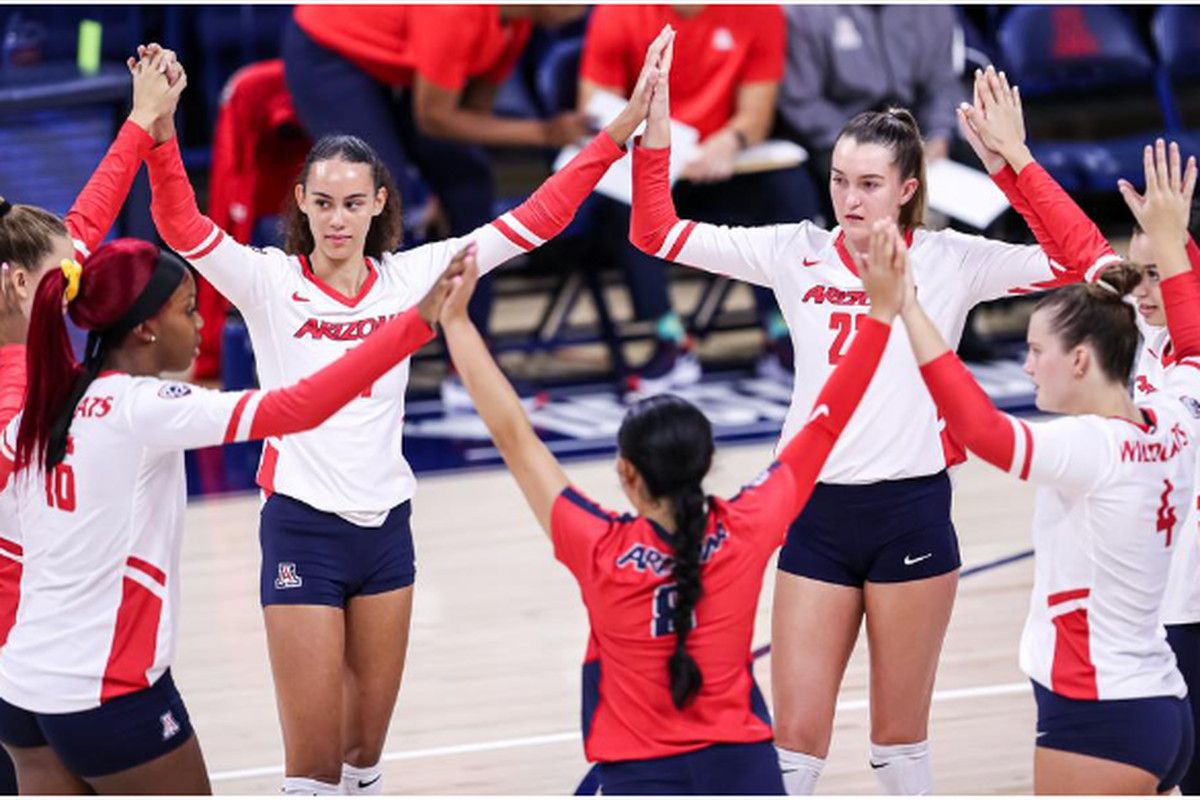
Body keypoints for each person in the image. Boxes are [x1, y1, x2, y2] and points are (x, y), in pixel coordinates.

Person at [144, 30, 673, 794]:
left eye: (353, 203)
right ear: (300, 201)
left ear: (379, 203)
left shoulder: (415, 273)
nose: (337, 219)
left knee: (363, 760)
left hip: (388, 529)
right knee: (313, 767)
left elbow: (538, 218)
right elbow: (182, 228)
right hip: (301, 526)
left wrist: (620, 128)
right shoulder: (266, 281)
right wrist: (161, 131)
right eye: (322, 202)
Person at [629, 37, 1118, 794]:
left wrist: (1012, 162)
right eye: (837, 181)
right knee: (792, 745)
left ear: (906, 190)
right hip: (814, 514)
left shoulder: (955, 260)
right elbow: (654, 231)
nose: (849, 200)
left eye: (868, 184)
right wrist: (654, 130)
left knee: (899, 743)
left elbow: (1082, 261)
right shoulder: (795, 251)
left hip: (911, 514)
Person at [435, 172, 904, 792]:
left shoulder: (597, 546)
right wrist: (879, 313)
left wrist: (458, 322)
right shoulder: (751, 525)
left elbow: (514, 435)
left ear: (626, 475)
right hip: (745, 770)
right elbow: (827, 417)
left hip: (637, 776)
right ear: (707, 463)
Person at [0, 236, 465, 794]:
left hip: (21, 686)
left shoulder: (43, 403)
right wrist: (413, 325)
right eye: (189, 309)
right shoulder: (143, 408)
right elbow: (299, 407)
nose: (202, 324)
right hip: (107, 688)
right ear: (145, 328)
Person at [881, 135, 1200, 794]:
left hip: (1158, 638)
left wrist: (908, 309)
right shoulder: (1157, 372)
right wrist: (1010, 164)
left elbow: (984, 432)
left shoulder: (1116, 430)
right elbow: (1083, 250)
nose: (1136, 290)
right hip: (1151, 629)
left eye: (1153, 276)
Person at [0, 43, 184, 794]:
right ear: (17, 285)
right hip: (46, 662)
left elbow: (80, 228)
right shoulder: (29, 402)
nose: (74, 288)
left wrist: (143, 122)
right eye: (60, 279)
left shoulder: (31, 354)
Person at [282, 4, 589, 408]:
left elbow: (470, 117)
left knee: (469, 181)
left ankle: (468, 364)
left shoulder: (517, 24)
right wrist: (545, 133)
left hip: (400, 70)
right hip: (331, 51)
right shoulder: (456, 11)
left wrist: (445, 186)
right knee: (376, 189)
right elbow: (434, 118)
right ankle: (347, 358)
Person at [578, 3, 819, 390]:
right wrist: (657, 145)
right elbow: (596, 108)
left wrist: (731, 139)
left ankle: (782, 332)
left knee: (789, 186)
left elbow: (756, 113)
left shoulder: (761, 11)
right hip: (647, 158)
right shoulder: (617, 11)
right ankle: (669, 338)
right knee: (626, 195)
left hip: (718, 167)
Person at [776, 5, 964, 212]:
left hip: (914, 130)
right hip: (840, 135)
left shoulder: (932, 9)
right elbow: (802, 101)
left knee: (981, 165)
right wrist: (864, 144)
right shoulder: (804, 12)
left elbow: (942, 85)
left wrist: (939, 136)